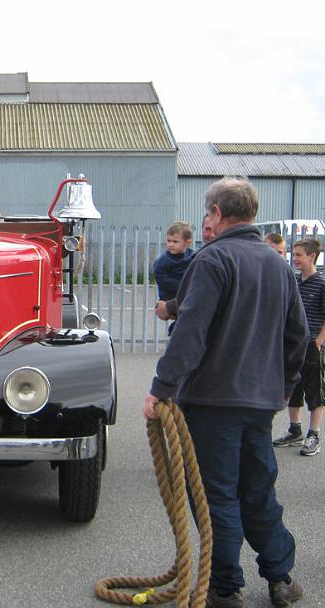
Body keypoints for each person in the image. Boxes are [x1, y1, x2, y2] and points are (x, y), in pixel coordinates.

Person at [143, 177, 307, 607]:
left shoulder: (212, 260)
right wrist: (282, 388)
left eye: (208, 211)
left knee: (217, 495)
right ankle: (281, 579)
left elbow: (190, 333)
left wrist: (160, 389)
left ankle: (225, 586)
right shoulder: (278, 266)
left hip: (213, 403)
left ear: (217, 212)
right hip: (260, 402)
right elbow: (299, 337)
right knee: (258, 489)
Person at [273, 238, 325, 456]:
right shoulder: (293, 281)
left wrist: (318, 341)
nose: (294, 259)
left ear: (312, 256)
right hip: (293, 345)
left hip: (312, 345)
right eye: (293, 254)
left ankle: (314, 434)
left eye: (299, 255)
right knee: (293, 387)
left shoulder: (321, 284)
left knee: (315, 392)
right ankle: (295, 431)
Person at [154, 215, 214, 323]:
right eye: (168, 241)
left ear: (188, 242)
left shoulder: (193, 256)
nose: (170, 244)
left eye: (175, 241)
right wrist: (184, 285)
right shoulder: (163, 261)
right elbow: (161, 279)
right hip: (170, 295)